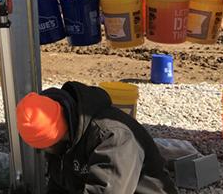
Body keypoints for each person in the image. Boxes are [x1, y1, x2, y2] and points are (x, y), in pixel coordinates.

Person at [16, 81, 178, 194]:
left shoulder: (113, 137)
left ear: (61, 133)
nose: (47, 151)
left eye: (49, 146)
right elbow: (58, 185)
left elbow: (106, 190)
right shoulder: (65, 140)